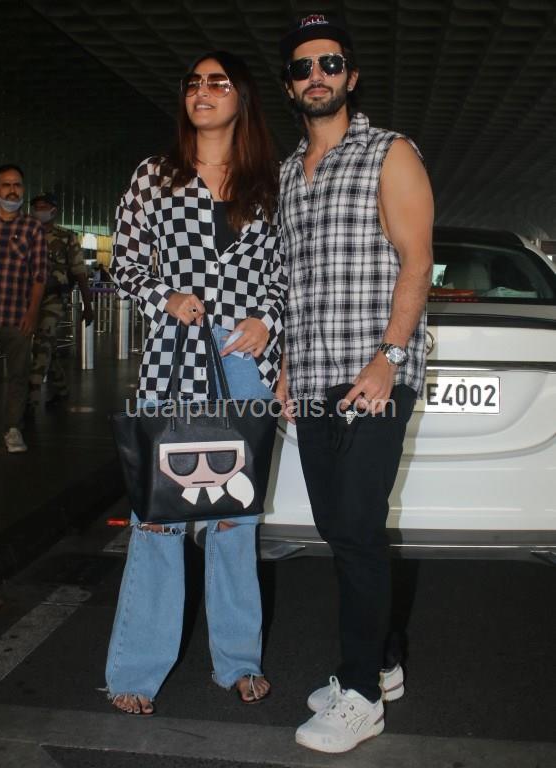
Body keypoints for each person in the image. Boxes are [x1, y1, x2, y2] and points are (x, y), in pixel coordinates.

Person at [105, 50, 286, 715]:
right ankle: (136, 669)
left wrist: (267, 320)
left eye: (218, 82)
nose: (202, 92)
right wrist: (166, 297)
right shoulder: (155, 175)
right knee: (159, 516)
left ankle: (238, 661)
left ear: (242, 97)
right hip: (173, 356)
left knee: (235, 516)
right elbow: (125, 264)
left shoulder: (271, 180)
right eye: (193, 83)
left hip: (243, 362)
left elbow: (289, 272)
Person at [276, 15, 434, 753]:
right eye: (303, 66)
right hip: (312, 375)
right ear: (290, 86)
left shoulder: (388, 152)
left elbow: (415, 260)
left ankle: (361, 695)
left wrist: (388, 358)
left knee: (360, 529)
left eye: (330, 62)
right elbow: (292, 282)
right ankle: (383, 659)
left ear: (351, 76)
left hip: (373, 372)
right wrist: (284, 366)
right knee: (340, 529)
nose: (318, 75)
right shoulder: (287, 173)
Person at [0, 164, 47, 455]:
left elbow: (39, 275)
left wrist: (32, 312)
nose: (12, 191)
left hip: (17, 316)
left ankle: (13, 429)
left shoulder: (32, 228)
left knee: (18, 375)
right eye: (6, 185)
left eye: (17, 185)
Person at [28, 193, 94, 408]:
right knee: (47, 346)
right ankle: (62, 388)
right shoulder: (26, 234)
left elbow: (80, 272)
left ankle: (31, 400)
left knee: (41, 344)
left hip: (54, 298)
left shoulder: (66, 237)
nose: (39, 210)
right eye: (36, 207)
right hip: (29, 297)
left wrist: (88, 305)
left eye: (43, 207)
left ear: (54, 211)